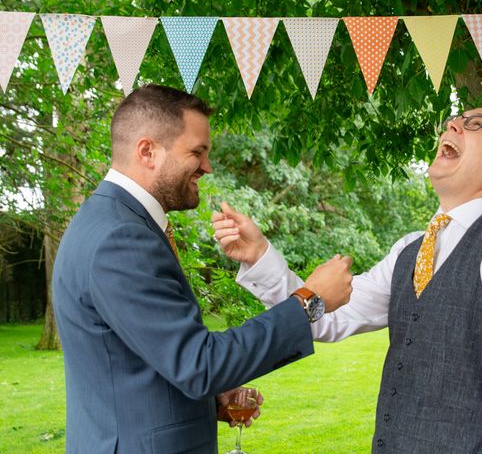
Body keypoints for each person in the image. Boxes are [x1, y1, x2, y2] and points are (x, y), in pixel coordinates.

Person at [213, 99, 482, 454]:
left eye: (477, 125)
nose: (454, 125)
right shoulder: (410, 249)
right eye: (457, 118)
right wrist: (260, 257)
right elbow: (328, 317)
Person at [52, 84, 353, 454]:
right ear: (148, 151)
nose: (207, 167)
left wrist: (206, 403)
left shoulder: (112, 221)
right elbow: (198, 364)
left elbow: (139, 362)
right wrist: (310, 299)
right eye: (197, 152)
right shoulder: (122, 238)